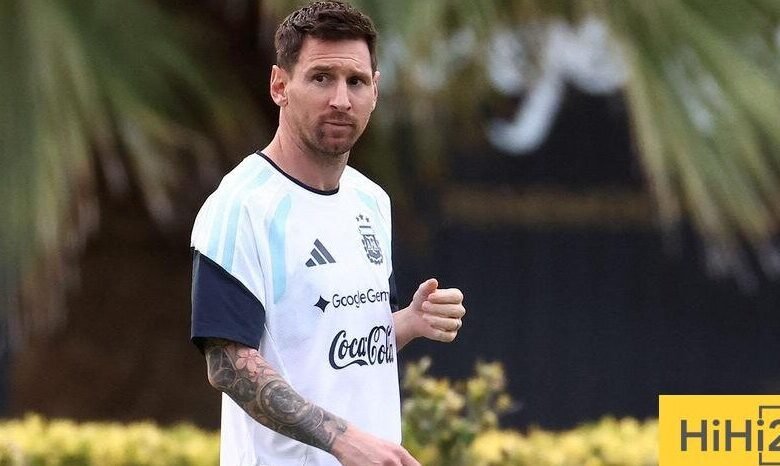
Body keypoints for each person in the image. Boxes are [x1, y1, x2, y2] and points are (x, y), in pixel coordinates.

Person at [190, 2, 466, 464]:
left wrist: (406, 323)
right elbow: (228, 365)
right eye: (321, 78)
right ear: (280, 86)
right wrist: (341, 439)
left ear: (375, 90)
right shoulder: (241, 206)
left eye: (355, 81)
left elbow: (330, 344)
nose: (341, 99)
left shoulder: (371, 200)